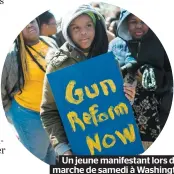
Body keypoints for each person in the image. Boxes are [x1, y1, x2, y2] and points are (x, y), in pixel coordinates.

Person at [40, 4, 136, 157]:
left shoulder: (109, 61)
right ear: (67, 31)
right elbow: (48, 112)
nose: (83, 32)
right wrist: (62, 148)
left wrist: (127, 98)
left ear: (97, 27)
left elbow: (115, 106)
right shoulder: (57, 66)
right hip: (77, 148)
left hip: (114, 143)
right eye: (75, 28)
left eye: (88, 25)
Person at [109, 10, 173, 149]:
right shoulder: (115, 45)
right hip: (123, 114)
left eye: (143, 21)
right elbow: (107, 77)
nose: (139, 26)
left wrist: (155, 76)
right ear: (125, 23)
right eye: (133, 22)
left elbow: (170, 77)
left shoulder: (161, 45)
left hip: (157, 115)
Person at [1, 19, 58, 164]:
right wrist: (8, 113)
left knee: (51, 153)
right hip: (28, 115)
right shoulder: (11, 55)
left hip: (51, 113)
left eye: (31, 21)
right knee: (37, 157)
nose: (28, 25)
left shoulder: (50, 42)